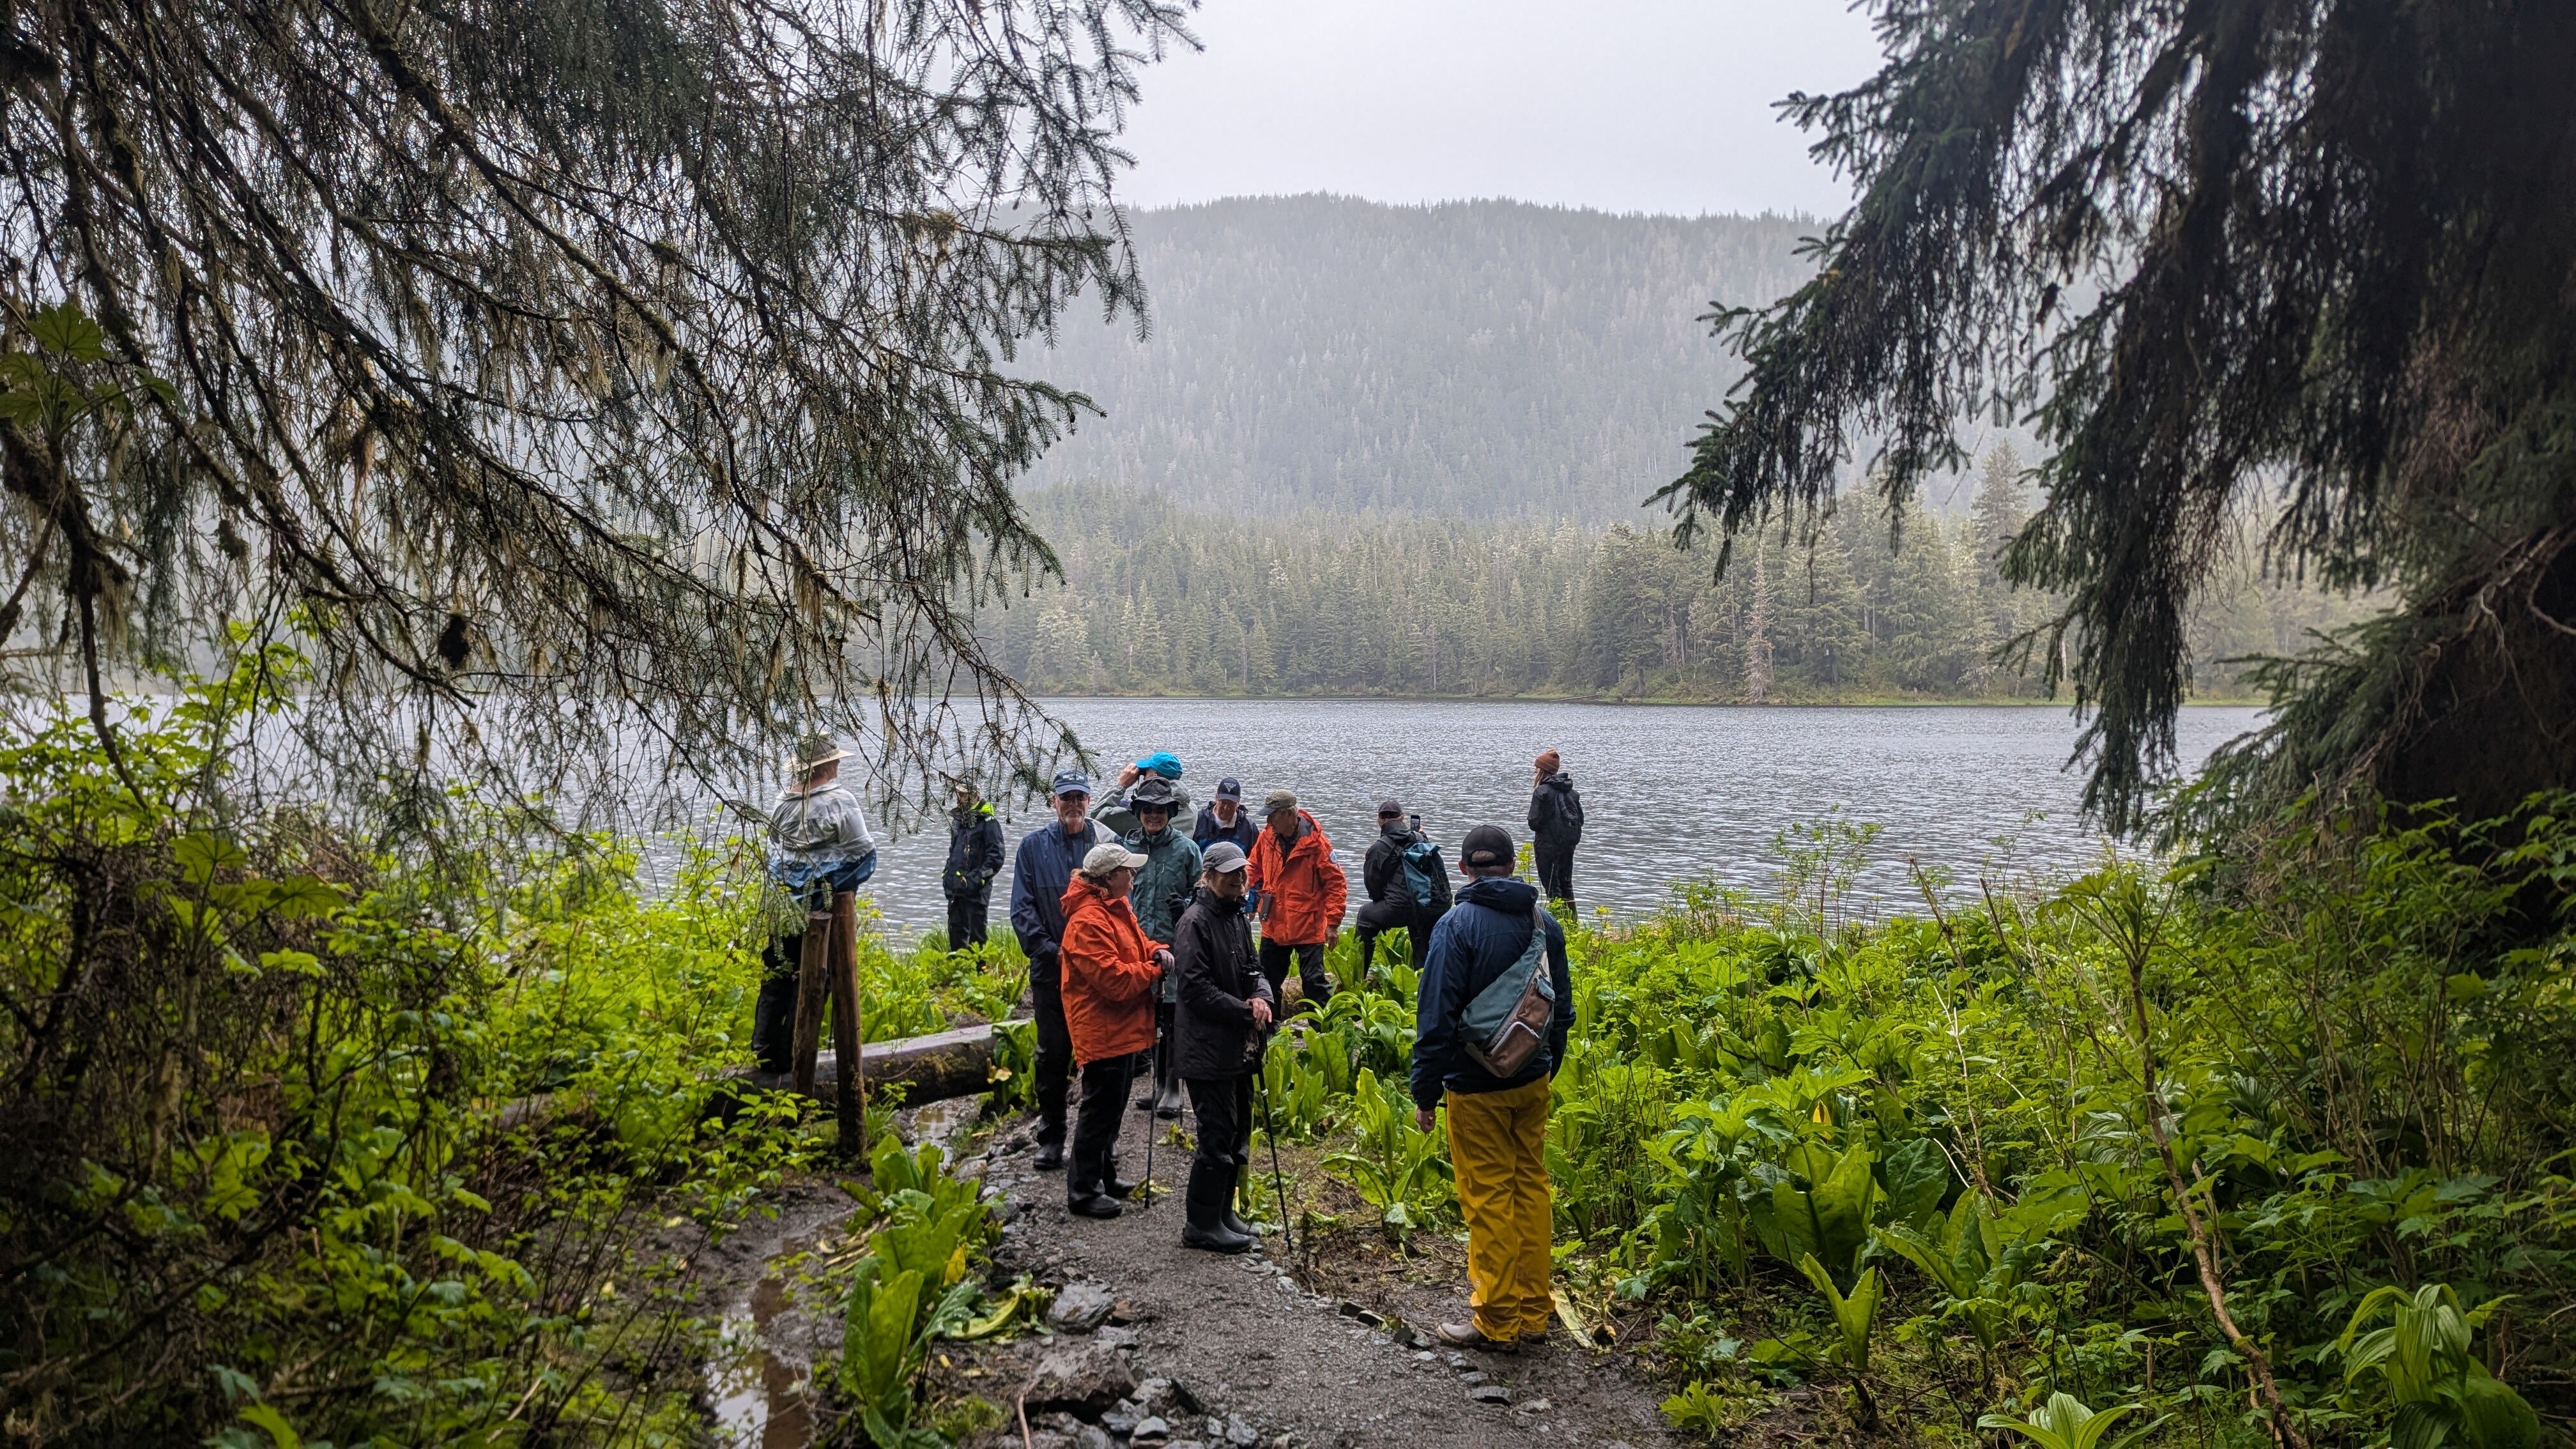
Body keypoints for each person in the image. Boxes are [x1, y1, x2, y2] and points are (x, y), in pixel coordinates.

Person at [1410, 823, 1574, 1351]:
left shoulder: (1455, 926)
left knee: (1488, 1199)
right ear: (1511, 865)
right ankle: (1534, 1311)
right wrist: (1546, 1066)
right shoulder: (1543, 922)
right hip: (1533, 1079)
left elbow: (1435, 1020)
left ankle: (1497, 1320)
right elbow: (1562, 1012)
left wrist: (1425, 1093)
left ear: (1464, 869)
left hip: (1475, 1085)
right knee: (1530, 1190)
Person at [751, 733, 878, 1075]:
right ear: (828, 766)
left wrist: (795, 876)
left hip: (784, 904)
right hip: (824, 909)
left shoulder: (783, 802)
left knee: (778, 970)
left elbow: (776, 846)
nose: (837, 765)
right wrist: (831, 880)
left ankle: (763, 1048)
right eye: (834, 761)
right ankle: (793, 1053)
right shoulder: (840, 802)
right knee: (816, 975)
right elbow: (865, 854)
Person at [1169, 841, 1273, 1254]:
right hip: (1205, 1049)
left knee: (1236, 1132)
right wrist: (1246, 1011)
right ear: (1208, 876)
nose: (1239, 879)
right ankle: (1201, 1224)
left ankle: (1223, 1213)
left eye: (1242, 873)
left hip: (1235, 1048)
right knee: (1216, 1134)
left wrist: (1261, 996)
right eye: (1230, 873)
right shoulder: (1194, 922)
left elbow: (1254, 969)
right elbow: (1195, 990)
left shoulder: (1236, 918)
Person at [1058, 841, 1170, 1218]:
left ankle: (1103, 1177)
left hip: (1120, 1028)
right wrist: (1155, 970)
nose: (1133, 875)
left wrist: (1155, 950)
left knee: (1113, 1108)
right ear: (1108, 878)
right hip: (1101, 1030)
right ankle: (1084, 1191)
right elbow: (1115, 981)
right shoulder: (1087, 921)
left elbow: (1135, 946)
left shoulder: (1114, 907)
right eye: (1127, 870)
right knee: (1098, 1112)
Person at [1008, 770, 1108, 1170]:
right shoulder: (1032, 847)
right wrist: (1054, 953)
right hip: (1052, 971)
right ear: (1054, 802)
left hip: (1097, 974)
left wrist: (1096, 956)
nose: (1073, 804)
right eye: (1066, 797)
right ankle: (1051, 1137)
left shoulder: (1104, 845)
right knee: (1052, 1054)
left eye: (1080, 797)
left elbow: (1118, 905)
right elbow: (1022, 910)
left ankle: (1100, 1143)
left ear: (1089, 801)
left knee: (1101, 1056)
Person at [1121, 776, 1202, 1118]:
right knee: (1149, 1017)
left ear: (1170, 813)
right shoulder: (1129, 847)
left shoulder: (1186, 849)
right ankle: (1156, 1083)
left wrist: (1184, 907)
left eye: (1160, 810)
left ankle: (1174, 1087)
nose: (1153, 816)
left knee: (1173, 1017)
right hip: (1138, 947)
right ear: (1139, 812)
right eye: (1147, 810)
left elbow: (1202, 896)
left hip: (1175, 946)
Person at [1246, 788, 1346, 1007]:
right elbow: (1253, 867)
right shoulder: (1267, 837)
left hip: (1308, 925)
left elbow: (1336, 883)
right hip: (1274, 923)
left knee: (1314, 982)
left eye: (1273, 816)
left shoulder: (1317, 844)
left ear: (1290, 814)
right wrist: (1239, 884)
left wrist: (1333, 923)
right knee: (1267, 981)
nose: (1269, 822)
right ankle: (1270, 1025)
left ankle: (1321, 1027)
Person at [1356, 799, 1450, 976]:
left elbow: (1373, 888)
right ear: (1402, 818)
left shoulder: (1378, 848)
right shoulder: (1421, 838)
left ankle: (1358, 975)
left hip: (1398, 908)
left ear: (1379, 820)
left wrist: (1384, 901)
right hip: (1429, 904)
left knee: (1365, 915)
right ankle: (1424, 976)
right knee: (1420, 928)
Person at [942, 781, 1004, 950]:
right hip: (956, 889)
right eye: (959, 795)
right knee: (955, 934)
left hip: (977, 891)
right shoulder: (959, 821)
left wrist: (977, 880)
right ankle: (957, 967)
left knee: (977, 939)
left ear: (975, 797)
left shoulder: (988, 823)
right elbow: (953, 853)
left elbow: (997, 858)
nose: (959, 798)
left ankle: (979, 967)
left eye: (964, 795)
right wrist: (947, 875)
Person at [1526, 749, 1584, 915]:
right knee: (1567, 884)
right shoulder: (1572, 792)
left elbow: (1534, 822)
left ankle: (1558, 922)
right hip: (1568, 846)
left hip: (1546, 846)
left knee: (1552, 886)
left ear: (1543, 771)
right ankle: (1573, 924)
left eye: (1537, 768)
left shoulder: (1542, 791)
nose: (1535, 772)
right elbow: (1580, 819)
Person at [1095, 751, 1189, 838]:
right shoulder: (1191, 808)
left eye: (1145, 773)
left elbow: (1097, 818)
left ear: (1155, 776)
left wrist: (1121, 786)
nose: (1143, 779)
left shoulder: (1145, 812)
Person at [1193, 777, 1260, 855]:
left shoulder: (1249, 827)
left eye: (1231, 804)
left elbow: (1256, 858)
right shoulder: (1198, 820)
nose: (1226, 808)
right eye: (1223, 802)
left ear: (1238, 802)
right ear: (1216, 797)